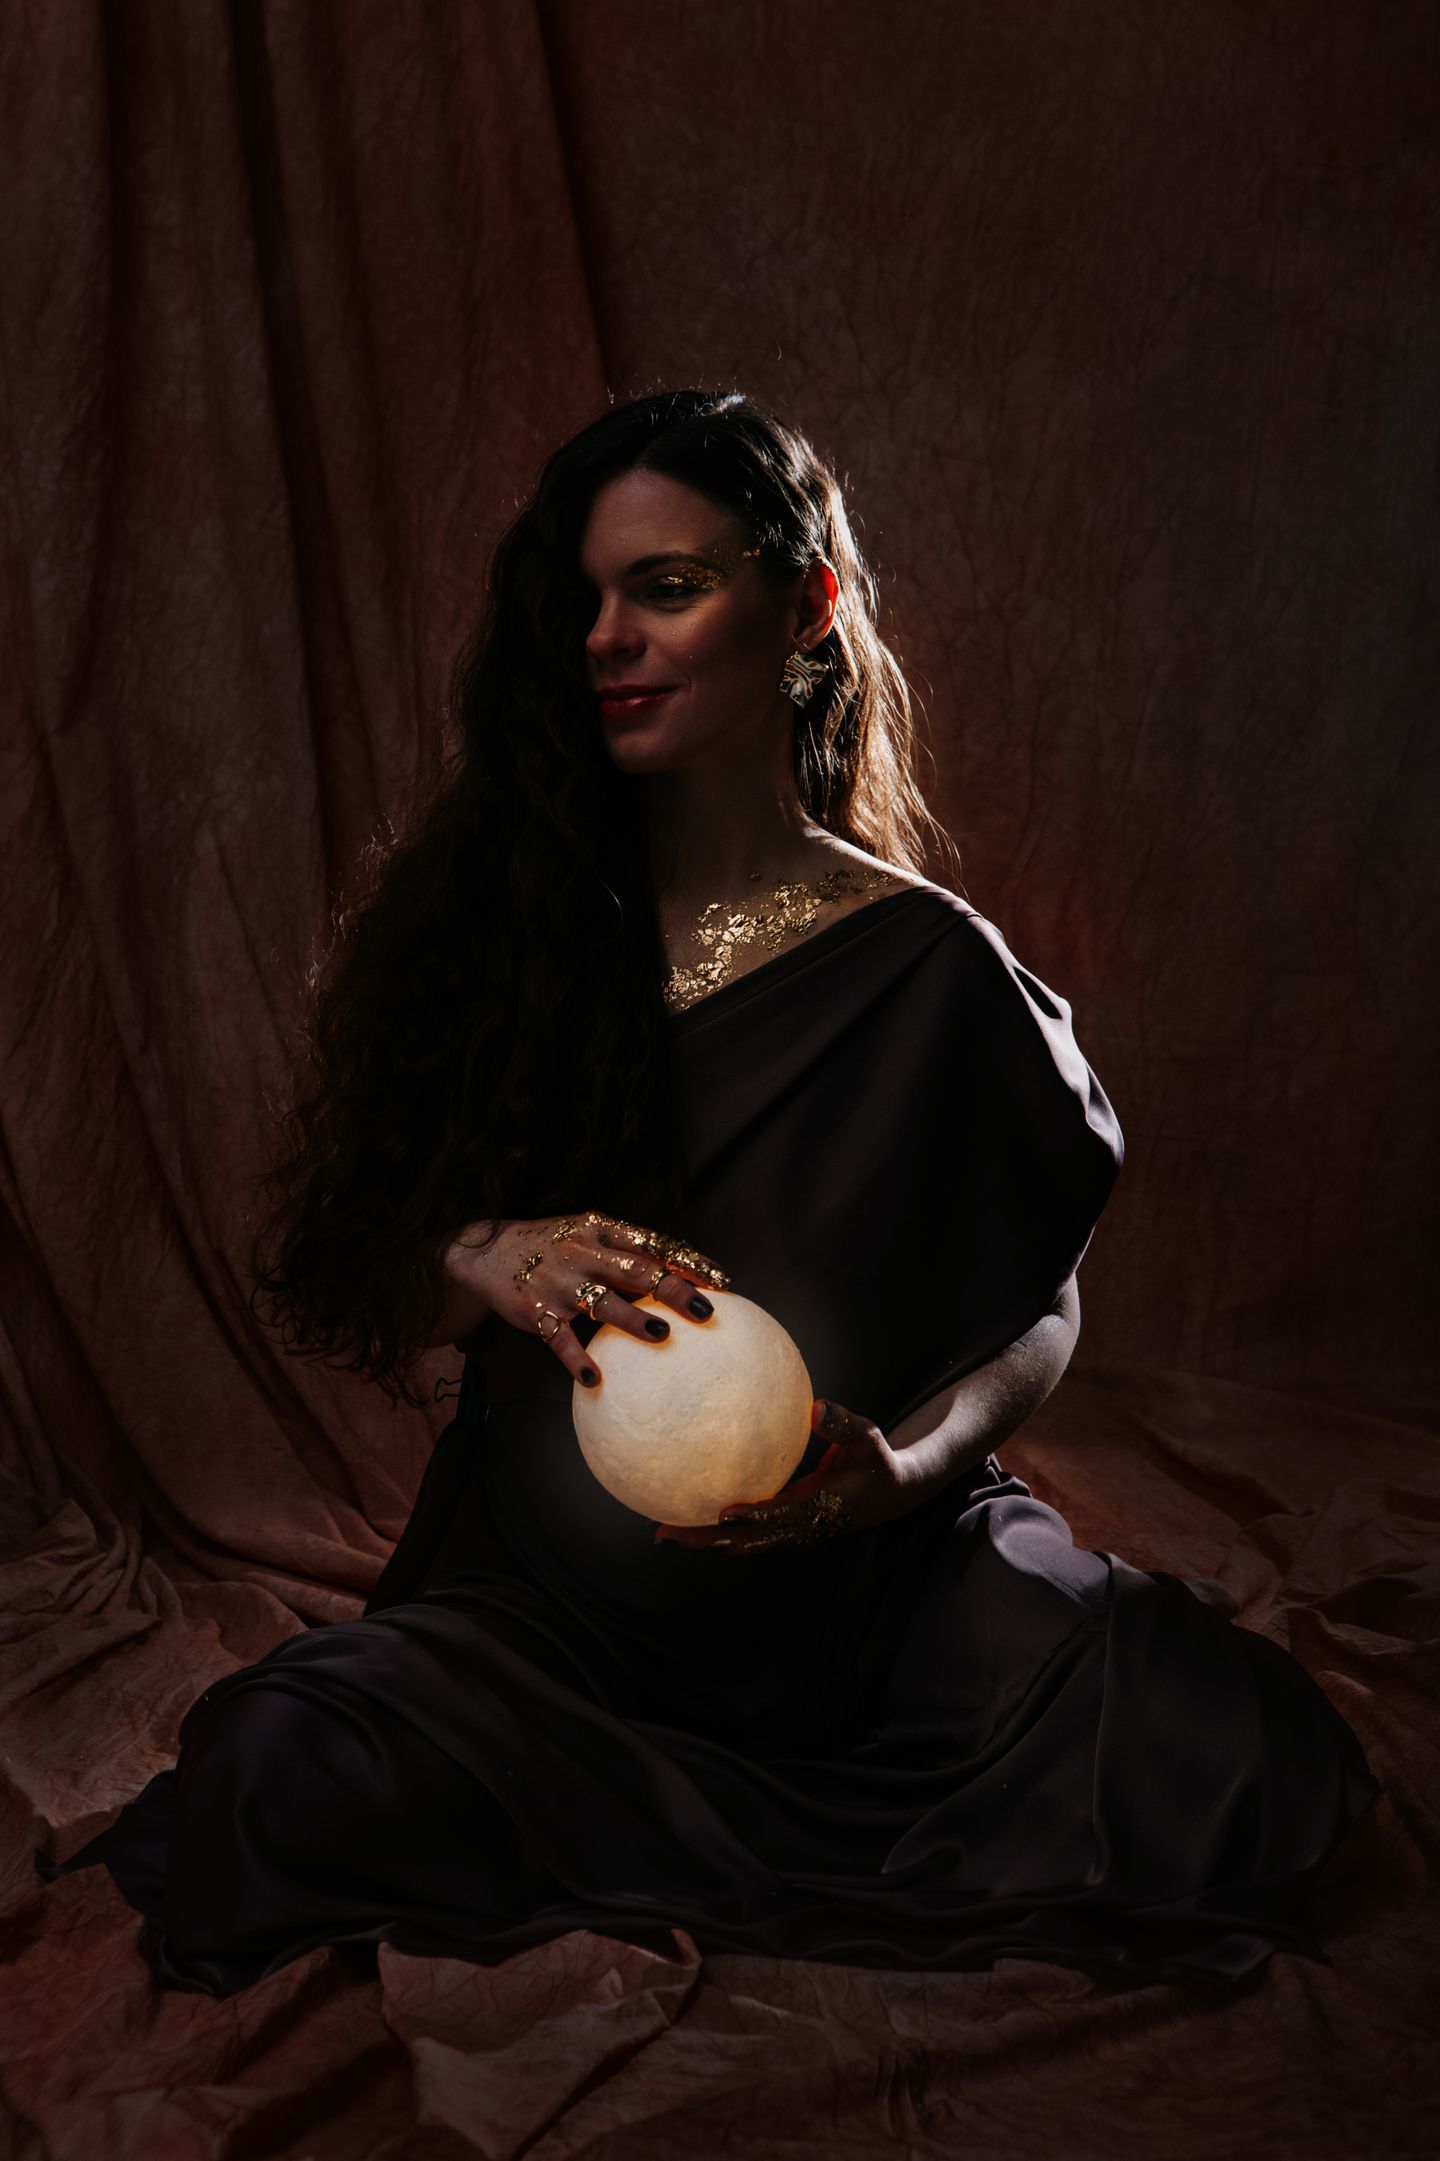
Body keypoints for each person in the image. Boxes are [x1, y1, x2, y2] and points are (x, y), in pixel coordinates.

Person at [37, 389, 1381, 1997]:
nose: (607, 635)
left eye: (665, 587)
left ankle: (695, 1816)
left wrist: (907, 1468)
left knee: (1236, 1752)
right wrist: (489, 1253)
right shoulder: (506, 933)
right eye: (584, 599)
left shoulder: (932, 967)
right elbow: (369, 1267)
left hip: (874, 1596)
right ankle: (621, 1808)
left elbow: (1041, 1304)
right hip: (555, 1621)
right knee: (274, 1772)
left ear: (805, 606)